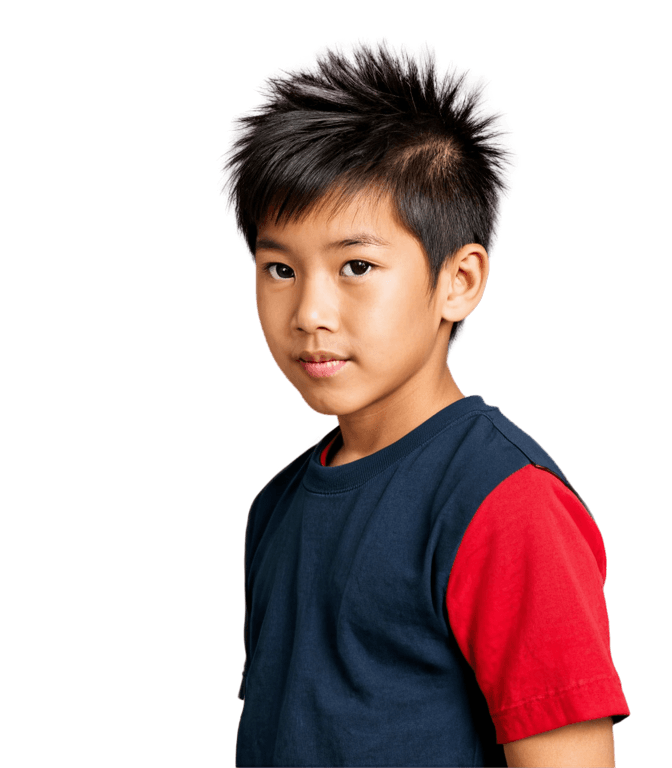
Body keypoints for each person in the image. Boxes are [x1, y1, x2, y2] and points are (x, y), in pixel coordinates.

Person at [217, 35, 631, 768]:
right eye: (279, 267)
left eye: (356, 266)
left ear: (460, 281)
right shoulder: (274, 507)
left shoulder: (506, 504)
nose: (310, 311)